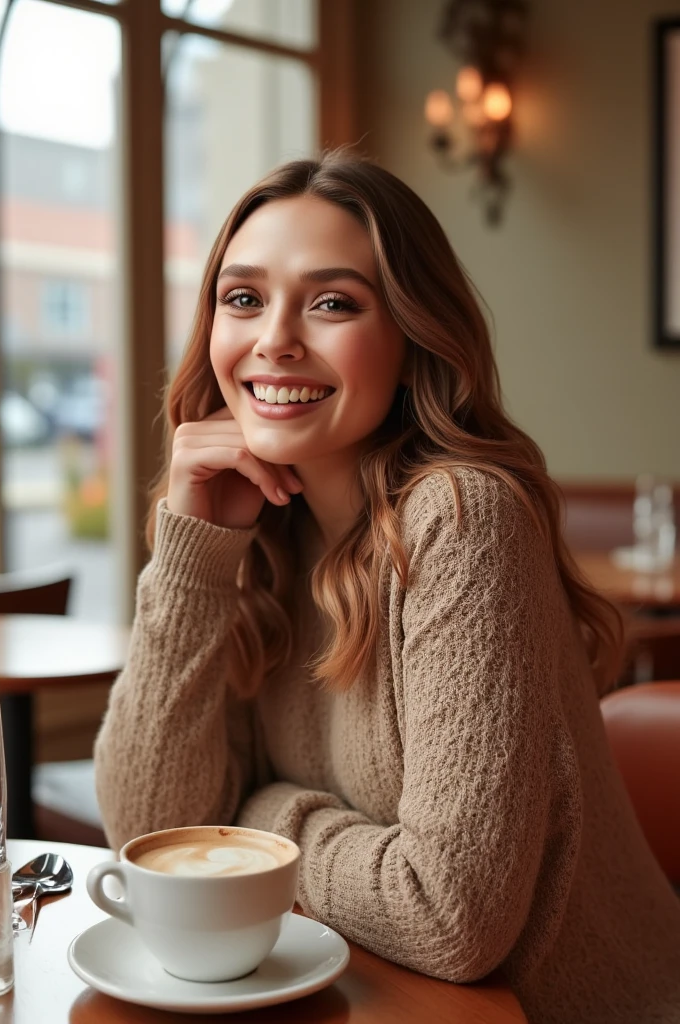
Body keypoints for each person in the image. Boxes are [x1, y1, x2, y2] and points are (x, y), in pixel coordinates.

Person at [94, 152, 680, 1024]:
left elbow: (449, 919)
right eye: (244, 298)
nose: (275, 339)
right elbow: (147, 833)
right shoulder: (258, 533)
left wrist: (258, 821)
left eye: (332, 303)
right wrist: (193, 551)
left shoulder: (461, 518)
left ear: (412, 343)